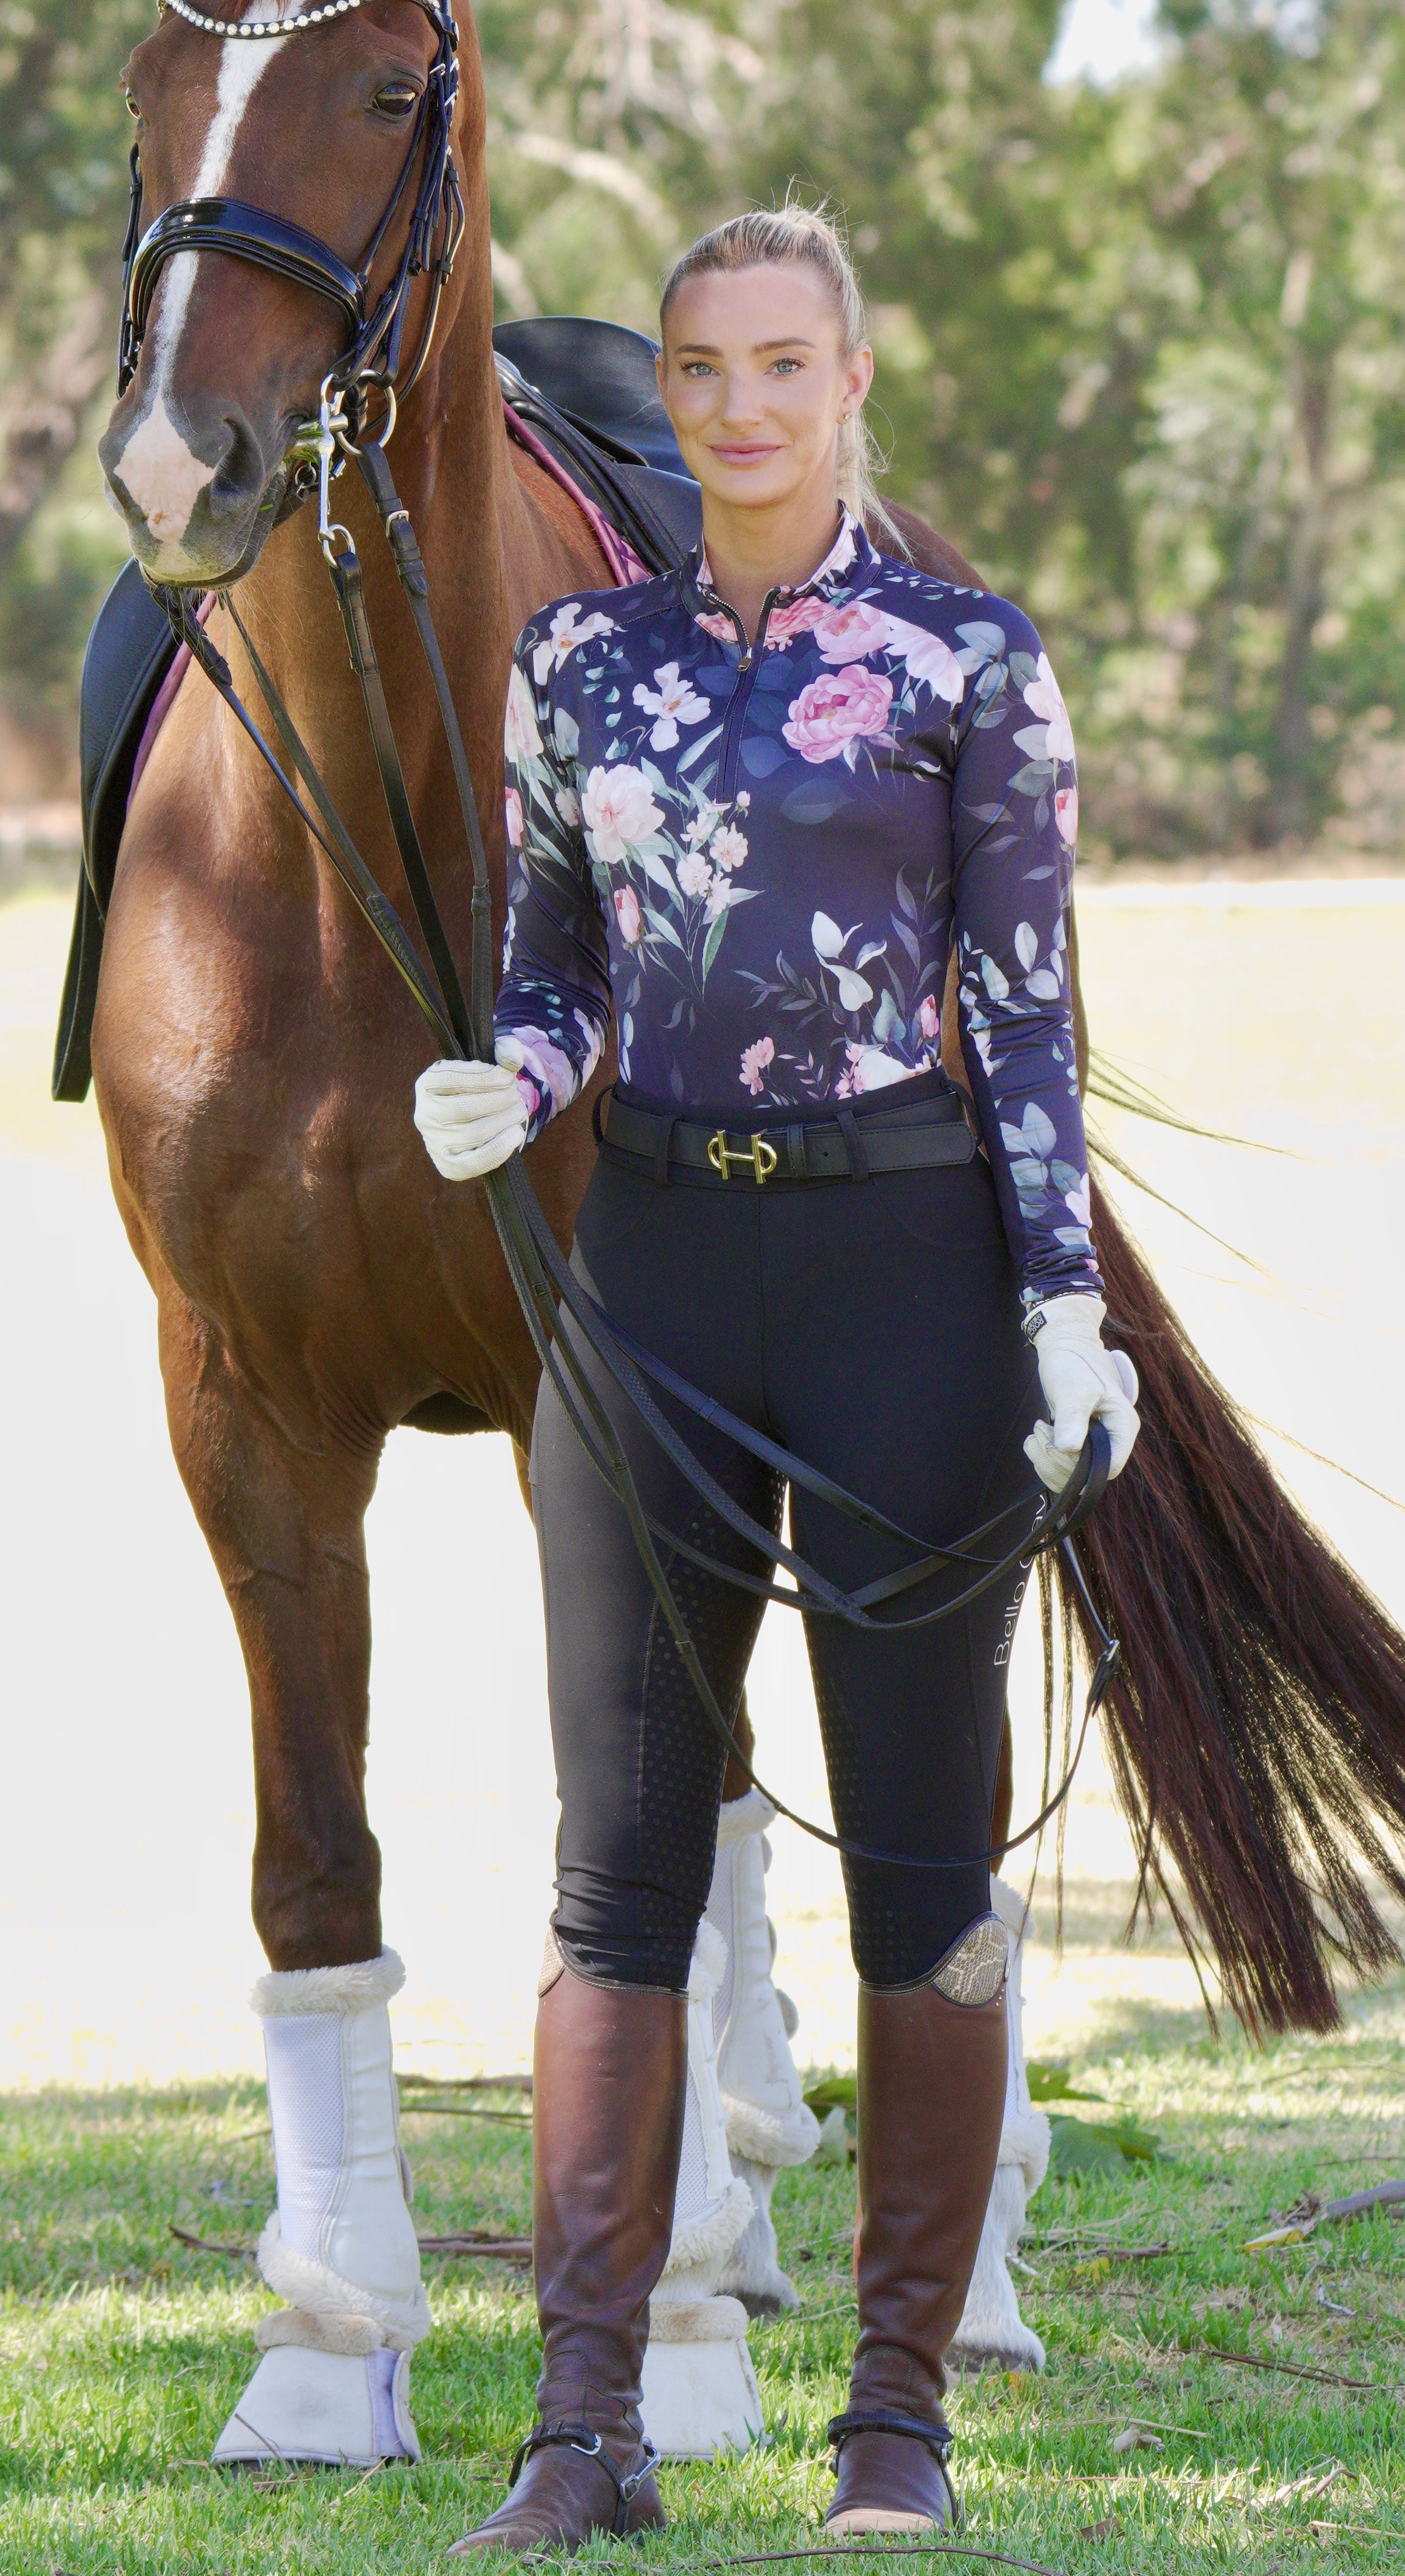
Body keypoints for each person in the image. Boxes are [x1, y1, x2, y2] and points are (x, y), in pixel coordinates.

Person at [415, 203, 1140, 2553]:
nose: (735, 408)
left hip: (908, 1273)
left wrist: (1060, 1307)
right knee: (611, 1879)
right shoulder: (578, 665)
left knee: (918, 1872)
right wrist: (509, 1082)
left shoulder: (966, 657)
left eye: (779, 366)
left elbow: (1027, 1015)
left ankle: (896, 2420)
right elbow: (552, 967)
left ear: (851, 381)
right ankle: (580, 2425)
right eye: (701, 369)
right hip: (647, 1279)